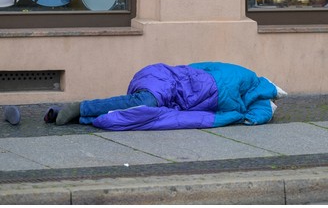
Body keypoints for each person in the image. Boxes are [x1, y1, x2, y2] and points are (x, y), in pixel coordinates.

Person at [45, 62, 287, 131]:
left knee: (140, 115)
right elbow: (198, 71)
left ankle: (78, 117)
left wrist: (241, 115)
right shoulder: (243, 77)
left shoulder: (247, 105)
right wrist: (236, 113)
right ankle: (82, 107)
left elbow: (259, 113)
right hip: (166, 80)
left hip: (173, 94)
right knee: (147, 103)